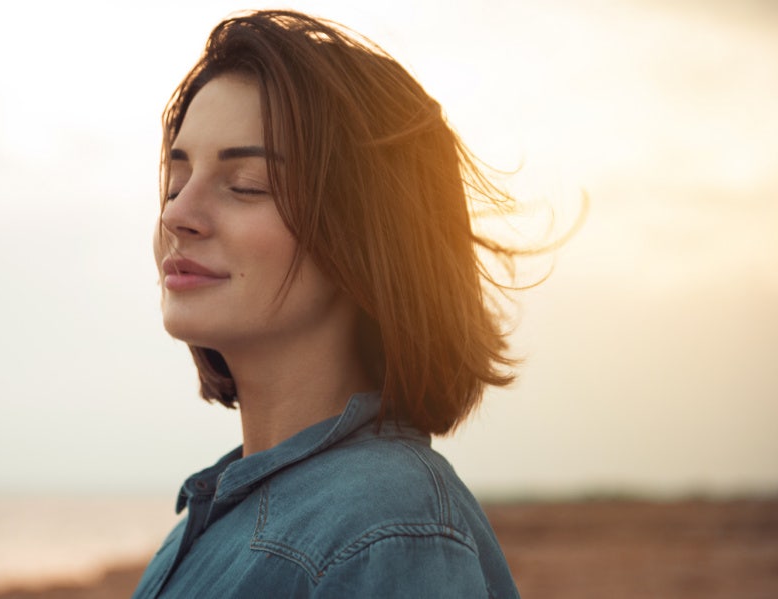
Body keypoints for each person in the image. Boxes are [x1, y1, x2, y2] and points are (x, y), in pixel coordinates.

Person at [132, 9, 524, 599]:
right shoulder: (207, 524)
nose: (176, 214)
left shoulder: (389, 532)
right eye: (175, 181)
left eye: (245, 186)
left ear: (367, 236)